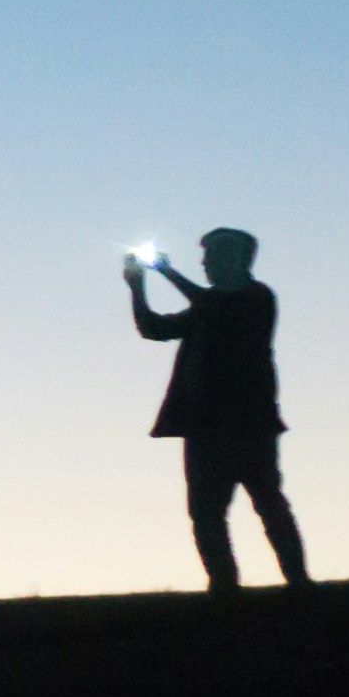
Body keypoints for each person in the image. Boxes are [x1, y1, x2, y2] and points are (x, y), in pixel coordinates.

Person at [126, 228, 308, 591]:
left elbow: (214, 307)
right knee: (207, 514)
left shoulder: (256, 298)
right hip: (205, 425)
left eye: (212, 257)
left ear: (238, 260)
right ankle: (225, 588)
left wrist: (166, 272)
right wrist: (137, 287)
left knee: (268, 506)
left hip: (248, 423)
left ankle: (298, 584)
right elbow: (153, 328)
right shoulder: (208, 306)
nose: (205, 264)